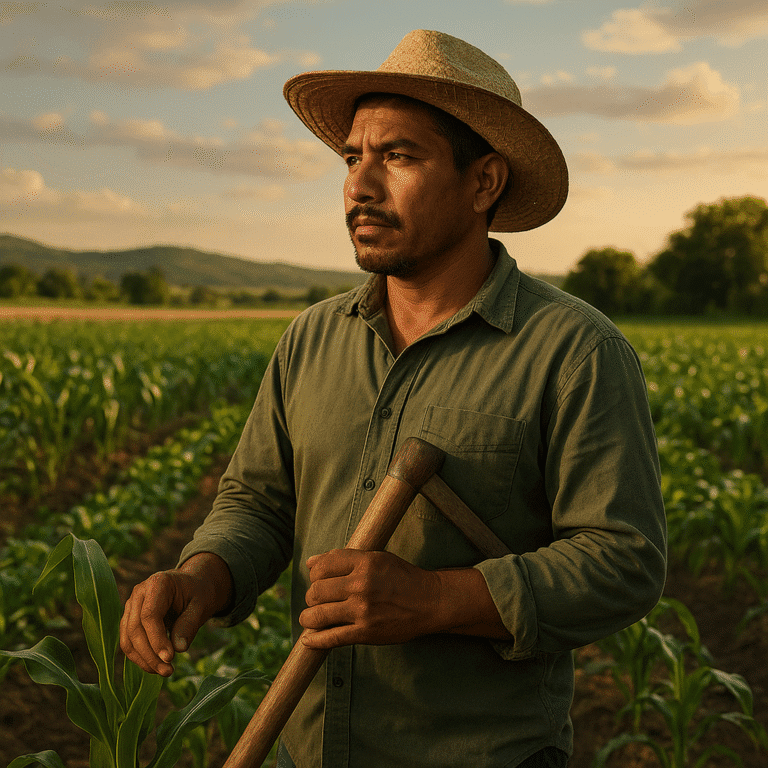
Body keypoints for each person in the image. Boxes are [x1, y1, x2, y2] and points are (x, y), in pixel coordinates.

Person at [120, 30, 667, 768]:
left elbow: (623, 561)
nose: (360, 186)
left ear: (484, 183)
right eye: (353, 157)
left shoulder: (573, 352)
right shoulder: (312, 339)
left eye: (399, 156)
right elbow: (258, 502)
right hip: (307, 747)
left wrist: (438, 600)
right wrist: (203, 575)